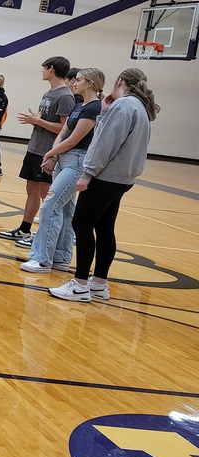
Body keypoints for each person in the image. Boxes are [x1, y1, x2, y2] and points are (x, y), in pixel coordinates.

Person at [49, 68, 159, 302]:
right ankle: (99, 283)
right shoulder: (139, 106)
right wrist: (105, 112)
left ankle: (79, 285)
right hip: (123, 178)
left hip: (105, 176)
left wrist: (88, 173)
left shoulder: (124, 106)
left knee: (82, 223)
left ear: (119, 81)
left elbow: (104, 143)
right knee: (105, 227)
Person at [20, 68, 104, 274]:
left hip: (77, 161)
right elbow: (65, 131)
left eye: (78, 80)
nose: (74, 83)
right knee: (66, 209)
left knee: (50, 205)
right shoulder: (78, 106)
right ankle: (60, 257)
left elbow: (75, 139)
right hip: (63, 158)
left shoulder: (94, 108)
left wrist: (49, 153)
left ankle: (42, 259)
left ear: (90, 84)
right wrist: (54, 154)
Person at [0, 56, 75, 244]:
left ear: (52, 69)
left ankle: (45, 236)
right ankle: (24, 230)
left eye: (44, 68)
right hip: (35, 148)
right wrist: (36, 120)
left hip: (47, 152)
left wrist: (38, 121)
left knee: (46, 194)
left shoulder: (65, 96)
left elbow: (65, 128)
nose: (42, 71)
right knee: (31, 189)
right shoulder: (49, 93)